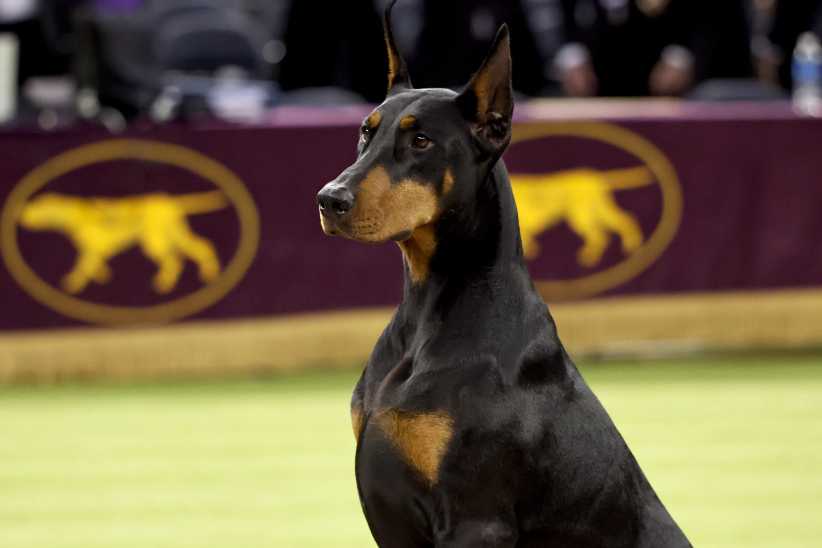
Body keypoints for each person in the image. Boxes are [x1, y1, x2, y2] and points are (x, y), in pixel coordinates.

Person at [555, 0, 754, 97]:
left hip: (680, 82)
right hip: (600, 78)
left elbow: (712, 17)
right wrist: (573, 56)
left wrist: (682, 56)